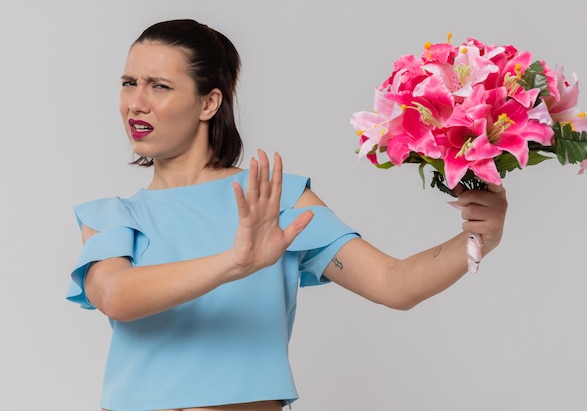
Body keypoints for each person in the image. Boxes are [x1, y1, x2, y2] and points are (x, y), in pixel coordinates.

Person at [67, 19, 508, 411]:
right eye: (129, 83)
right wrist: (234, 263)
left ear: (208, 103)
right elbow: (117, 297)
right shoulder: (112, 217)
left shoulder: (275, 201)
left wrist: (478, 237)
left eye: (159, 86)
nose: (135, 103)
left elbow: (393, 284)